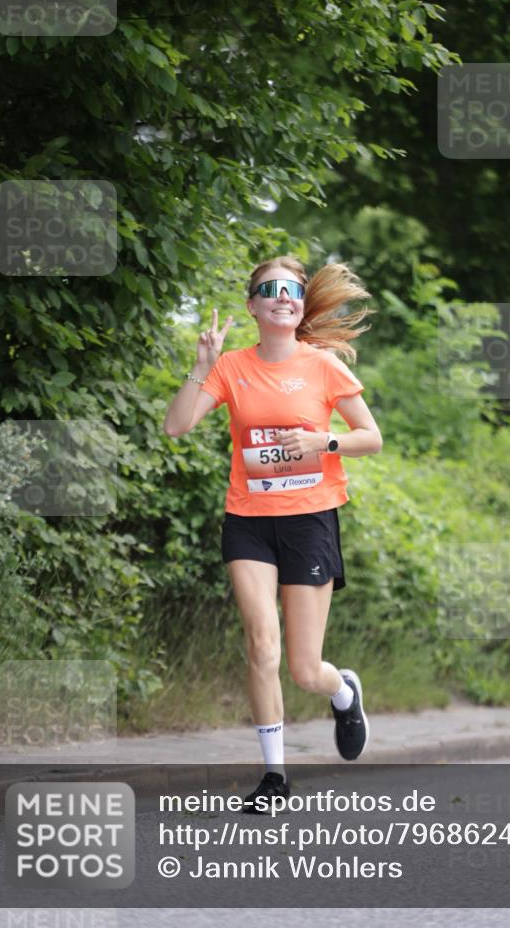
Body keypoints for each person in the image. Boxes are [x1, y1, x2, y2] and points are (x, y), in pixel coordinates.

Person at [164, 255, 383, 812]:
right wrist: (201, 363)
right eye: (271, 289)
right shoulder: (232, 367)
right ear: (253, 305)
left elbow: (370, 437)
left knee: (305, 669)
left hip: (310, 518)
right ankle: (274, 777)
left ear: (301, 304)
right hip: (249, 520)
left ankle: (343, 691)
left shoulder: (323, 366)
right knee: (262, 645)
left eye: (293, 289)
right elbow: (177, 426)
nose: (283, 296)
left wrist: (322, 443)